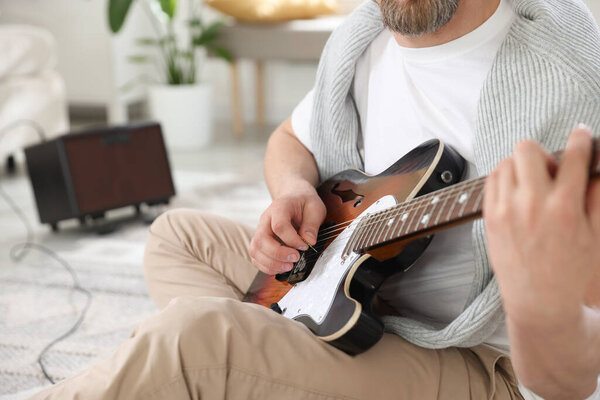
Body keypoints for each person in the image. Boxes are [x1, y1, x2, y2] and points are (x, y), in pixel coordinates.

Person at [30, 0, 600, 399]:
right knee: (176, 239)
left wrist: (535, 295)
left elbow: (571, 383)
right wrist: (296, 189)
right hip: (348, 294)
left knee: (195, 339)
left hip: (480, 364)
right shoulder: (364, 38)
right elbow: (290, 140)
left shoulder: (566, 86)